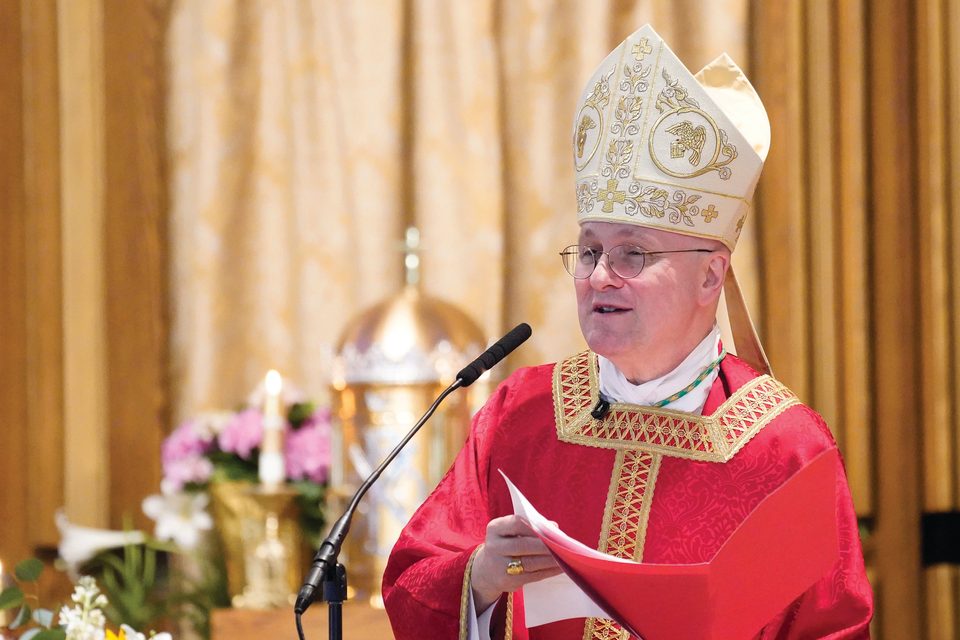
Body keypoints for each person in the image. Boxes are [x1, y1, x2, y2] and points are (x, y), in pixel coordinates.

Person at [383, 24, 873, 640]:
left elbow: (835, 628)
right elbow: (412, 581)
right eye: (589, 251)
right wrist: (480, 579)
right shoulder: (520, 415)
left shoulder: (785, 448)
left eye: (633, 254)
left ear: (710, 275)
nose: (599, 277)